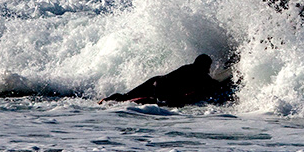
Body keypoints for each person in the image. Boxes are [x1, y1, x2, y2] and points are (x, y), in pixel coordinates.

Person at [99, 54, 234, 107]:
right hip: (161, 87)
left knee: (126, 96)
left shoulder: (190, 67)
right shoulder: (198, 73)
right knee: (148, 101)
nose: (209, 69)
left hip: (156, 81)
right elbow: (212, 84)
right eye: (208, 66)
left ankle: (105, 101)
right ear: (203, 65)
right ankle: (112, 103)